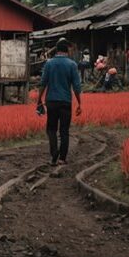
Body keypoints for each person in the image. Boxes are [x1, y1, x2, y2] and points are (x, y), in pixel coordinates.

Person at [36, 38, 82, 166]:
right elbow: (77, 86)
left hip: (51, 101)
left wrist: (39, 100)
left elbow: (43, 83)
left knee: (51, 129)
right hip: (66, 102)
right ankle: (62, 158)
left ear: (56, 50)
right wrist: (79, 103)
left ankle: (54, 153)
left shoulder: (49, 64)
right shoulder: (72, 64)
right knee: (64, 130)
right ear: (66, 50)